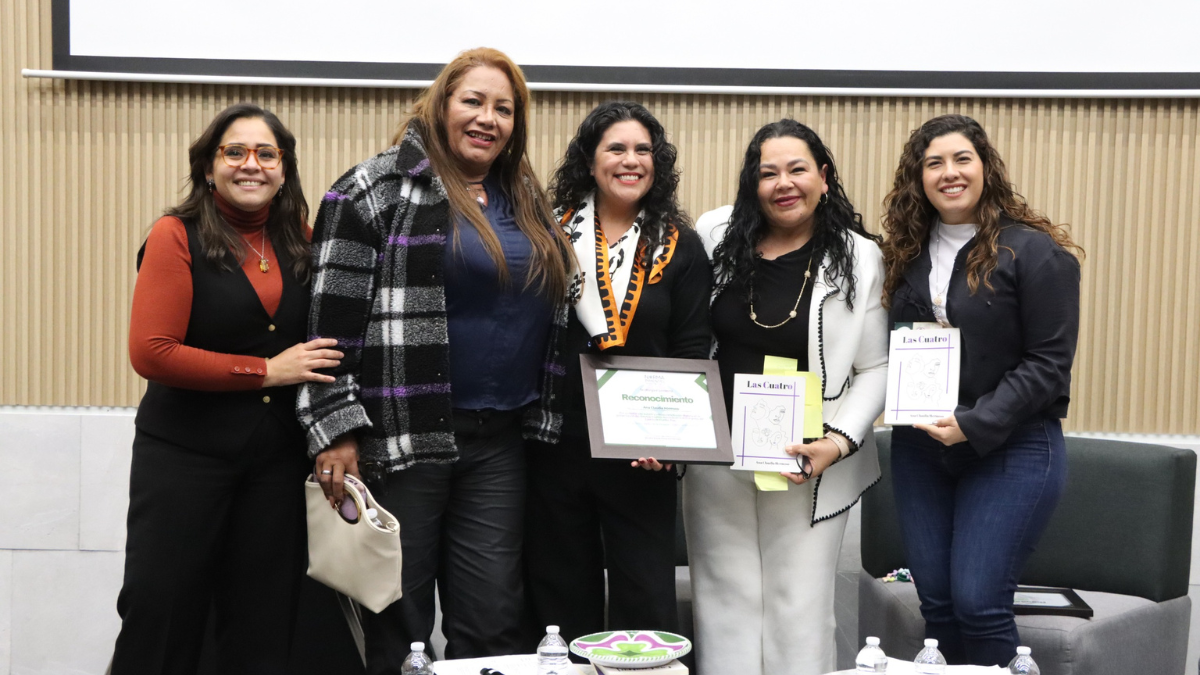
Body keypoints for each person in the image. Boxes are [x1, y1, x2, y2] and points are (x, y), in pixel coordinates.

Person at [298, 48, 574, 670]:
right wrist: (335, 430)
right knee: (399, 622)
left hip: (500, 442)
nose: (487, 119)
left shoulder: (526, 197)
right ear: (440, 104)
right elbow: (329, 330)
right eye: (472, 101)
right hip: (402, 443)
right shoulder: (371, 190)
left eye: (504, 109)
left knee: (492, 623)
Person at [112, 103, 338, 674]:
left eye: (266, 153)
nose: (250, 164)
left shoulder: (303, 241)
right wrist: (265, 371)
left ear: (284, 168)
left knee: (263, 617)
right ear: (208, 167)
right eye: (234, 152)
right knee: (161, 608)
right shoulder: (175, 235)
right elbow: (152, 352)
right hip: (184, 457)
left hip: (275, 464)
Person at [687, 119, 888, 675]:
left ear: (823, 177)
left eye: (797, 169)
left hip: (808, 458)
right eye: (768, 172)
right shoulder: (715, 233)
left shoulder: (859, 256)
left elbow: (876, 368)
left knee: (797, 607)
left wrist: (837, 443)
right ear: (752, 183)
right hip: (718, 456)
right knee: (723, 601)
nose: (784, 184)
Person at [881, 113, 1083, 667]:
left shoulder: (1034, 252)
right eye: (934, 163)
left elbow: (1049, 364)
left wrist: (974, 422)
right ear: (919, 178)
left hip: (1012, 446)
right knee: (938, 606)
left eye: (961, 159)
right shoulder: (903, 253)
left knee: (978, 603)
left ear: (986, 168)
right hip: (920, 448)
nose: (949, 173)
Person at [523, 101, 712, 646]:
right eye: (616, 149)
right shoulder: (547, 236)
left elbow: (692, 347)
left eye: (643, 150)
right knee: (560, 596)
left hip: (641, 451)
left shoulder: (680, 245)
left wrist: (672, 441)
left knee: (645, 599)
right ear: (589, 161)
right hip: (556, 446)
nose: (631, 161)